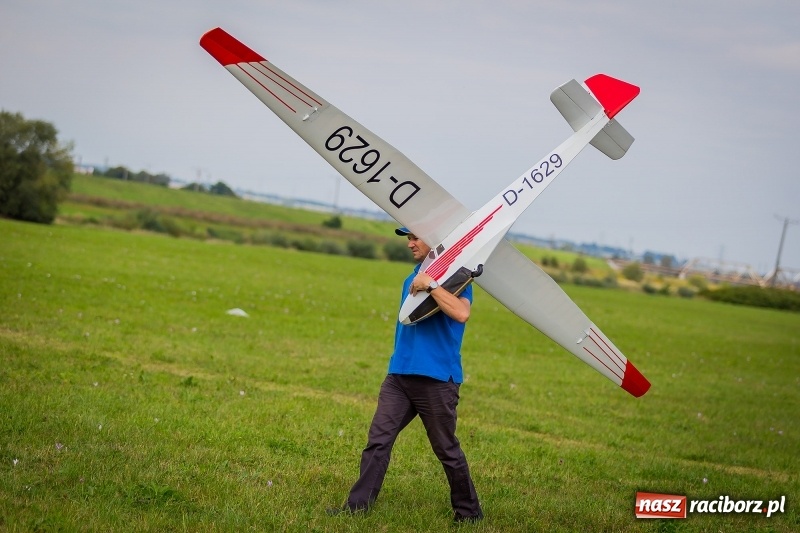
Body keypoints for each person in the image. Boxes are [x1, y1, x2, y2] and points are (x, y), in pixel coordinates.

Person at [328, 227, 483, 523]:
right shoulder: (409, 278)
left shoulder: (458, 278)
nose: (410, 244)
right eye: (407, 238)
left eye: (415, 237)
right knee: (378, 441)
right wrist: (421, 281)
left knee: (446, 449)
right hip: (399, 376)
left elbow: (462, 314)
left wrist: (432, 285)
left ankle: (469, 513)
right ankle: (357, 508)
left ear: (434, 240)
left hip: (437, 380)